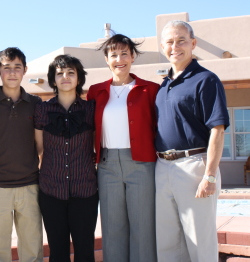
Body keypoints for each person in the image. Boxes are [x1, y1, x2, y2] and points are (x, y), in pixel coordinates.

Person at [155, 20, 229, 262]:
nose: (175, 46)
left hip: (195, 165)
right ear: (162, 47)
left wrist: (209, 175)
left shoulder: (206, 80)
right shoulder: (164, 84)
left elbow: (217, 129)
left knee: (199, 241)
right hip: (162, 166)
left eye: (181, 40)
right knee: (168, 242)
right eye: (169, 42)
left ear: (193, 44)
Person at [86, 34, 159, 262]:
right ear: (106, 60)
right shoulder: (95, 91)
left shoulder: (151, 89)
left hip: (142, 164)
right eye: (113, 54)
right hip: (106, 166)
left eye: (124, 53)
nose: (119, 59)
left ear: (133, 57)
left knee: (143, 227)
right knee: (112, 227)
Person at [0, 47, 43, 262]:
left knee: (32, 250)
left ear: (25, 70)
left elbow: (41, 145)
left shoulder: (35, 103)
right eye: (7, 68)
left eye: (17, 68)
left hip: (30, 185)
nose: (12, 73)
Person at [35, 55, 98, 262]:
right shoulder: (42, 110)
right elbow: (39, 149)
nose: (65, 77)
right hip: (51, 191)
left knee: (85, 251)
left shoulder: (91, 110)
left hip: (85, 191)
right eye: (59, 73)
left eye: (71, 72)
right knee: (58, 252)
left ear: (79, 78)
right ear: (53, 80)